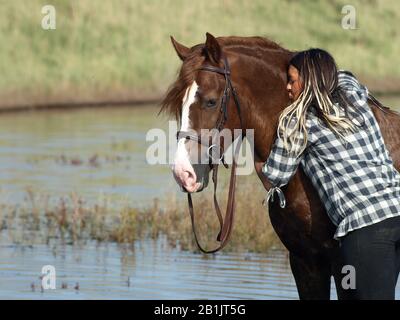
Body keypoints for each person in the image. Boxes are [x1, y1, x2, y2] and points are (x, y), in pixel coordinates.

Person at [262, 48, 400, 300]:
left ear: (309, 81)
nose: (288, 89)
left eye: (292, 80)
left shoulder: (298, 123)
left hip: (364, 227)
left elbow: (275, 176)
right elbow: (344, 75)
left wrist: (254, 155)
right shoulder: (354, 96)